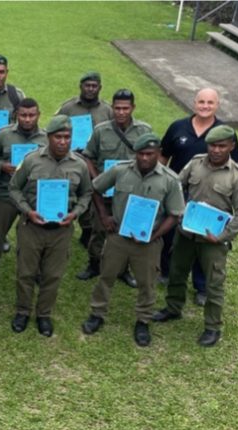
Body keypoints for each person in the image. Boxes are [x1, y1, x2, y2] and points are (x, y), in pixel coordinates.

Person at [81, 133, 185, 347]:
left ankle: (143, 320)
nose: (145, 158)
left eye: (150, 154)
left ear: (158, 154)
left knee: (147, 283)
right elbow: (95, 188)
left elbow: (175, 215)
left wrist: (154, 236)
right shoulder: (121, 170)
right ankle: (97, 313)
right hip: (118, 236)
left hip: (148, 243)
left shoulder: (169, 179)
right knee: (106, 275)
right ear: (135, 153)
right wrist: (104, 216)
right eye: (141, 154)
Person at [152, 125, 238, 347]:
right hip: (186, 232)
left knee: (214, 283)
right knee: (177, 272)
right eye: (212, 145)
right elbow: (177, 185)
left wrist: (223, 236)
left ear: (231, 146)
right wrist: (179, 209)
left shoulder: (236, 176)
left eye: (221, 146)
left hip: (213, 241)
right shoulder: (196, 163)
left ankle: (212, 327)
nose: (216, 150)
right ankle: (173, 308)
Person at [8, 115, 91, 337]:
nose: (63, 141)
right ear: (48, 137)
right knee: (26, 273)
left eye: (67, 137)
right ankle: (23, 311)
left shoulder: (79, 165)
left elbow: (87, 193)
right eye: (58, 137)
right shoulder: (31, 160)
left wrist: (75, 213)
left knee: (53, 276)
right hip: (32, 227)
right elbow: (14, 188)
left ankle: (43, 314)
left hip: (61, 231)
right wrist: (27, 211)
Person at [159, 88, 238, 305]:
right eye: (201, 102)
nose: (205, 106)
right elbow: (163, 156)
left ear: (217, 105)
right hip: (181, 190)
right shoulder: (178, 127)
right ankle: (168, 273)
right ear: (194, 103)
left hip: (212, 197)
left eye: (210, 103)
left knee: (205, 240)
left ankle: (201, 286)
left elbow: (234, 166)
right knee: (174, 237)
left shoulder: (224, 132)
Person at [78, 89, 153, 288]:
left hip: (132, 191)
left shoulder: (144, 131)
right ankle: (93, 264)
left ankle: (123, 270)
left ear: (133, 108)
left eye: (125, 108)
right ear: (112, 108)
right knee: (99, 228)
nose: (121, 112)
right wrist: (98, 179)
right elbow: (88, 156)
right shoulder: (101, 130)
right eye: (117, 108)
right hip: (105, 190)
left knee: (127, 230)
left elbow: (151, 158)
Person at [0, 98, 48, 283]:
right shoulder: (4, 134)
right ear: (16, 115)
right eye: (23, 115)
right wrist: (1, 165)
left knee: (35, 237)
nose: (27, 119)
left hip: (34, 195)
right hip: (7, 192)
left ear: (38, 115)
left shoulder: (45, 138)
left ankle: (34, 270)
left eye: (31, 115)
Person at [56, 72, 113, 249]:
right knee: (72, 195)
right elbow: (55, 129)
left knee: (94, 197)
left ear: (100, 88)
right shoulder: (68, 108)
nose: (90, 89)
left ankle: (89, 230)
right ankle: (71, 225)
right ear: (80, 86)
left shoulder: (108, 110)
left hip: (96, 163)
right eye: (87, 85)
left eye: (94, 86)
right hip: (72, 161)